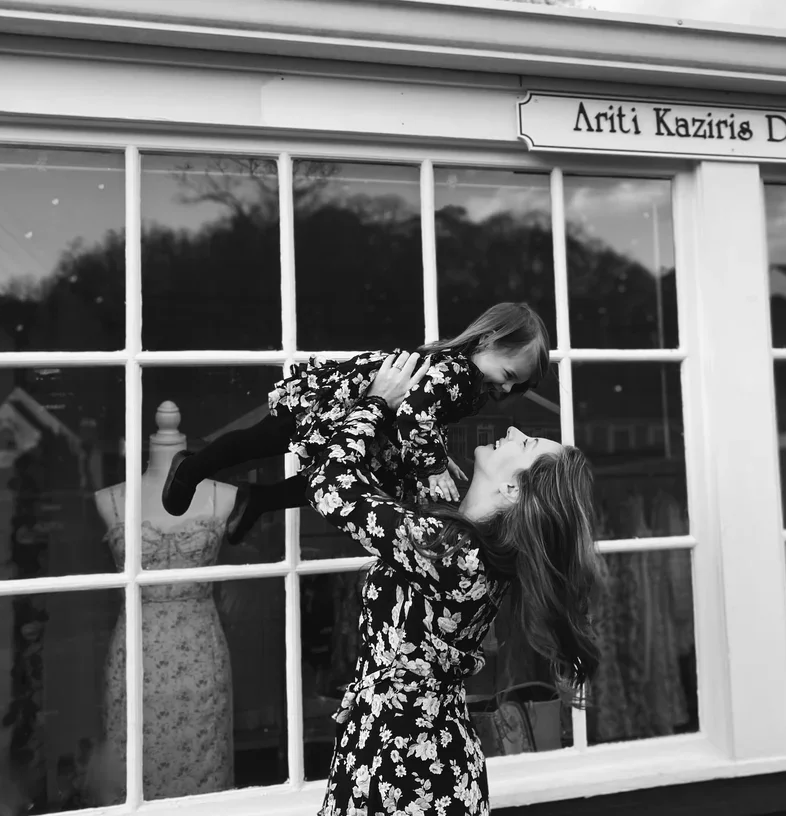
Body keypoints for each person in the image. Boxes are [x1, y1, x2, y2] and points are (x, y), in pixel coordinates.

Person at [310, 352, 601, 816]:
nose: (513, 430)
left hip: (405, 765)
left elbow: (331, 487)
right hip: (408, 749)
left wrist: (377, 403)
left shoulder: (452, 555)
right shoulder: (467, 546)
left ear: (513, 490)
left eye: (526, 443)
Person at [160, 302, 550, 543]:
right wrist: (431, 465)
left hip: (377, 421)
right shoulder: (458, 372)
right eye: (509, 375)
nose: (506, 388)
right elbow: (415, 413)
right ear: (488, 340)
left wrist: (438, 452)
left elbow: (427, 416)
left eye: (516, 385)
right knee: (264, 439)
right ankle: (190, 468)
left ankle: (258, 499)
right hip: (346, 400)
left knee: (347, 479)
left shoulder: (472, 384)